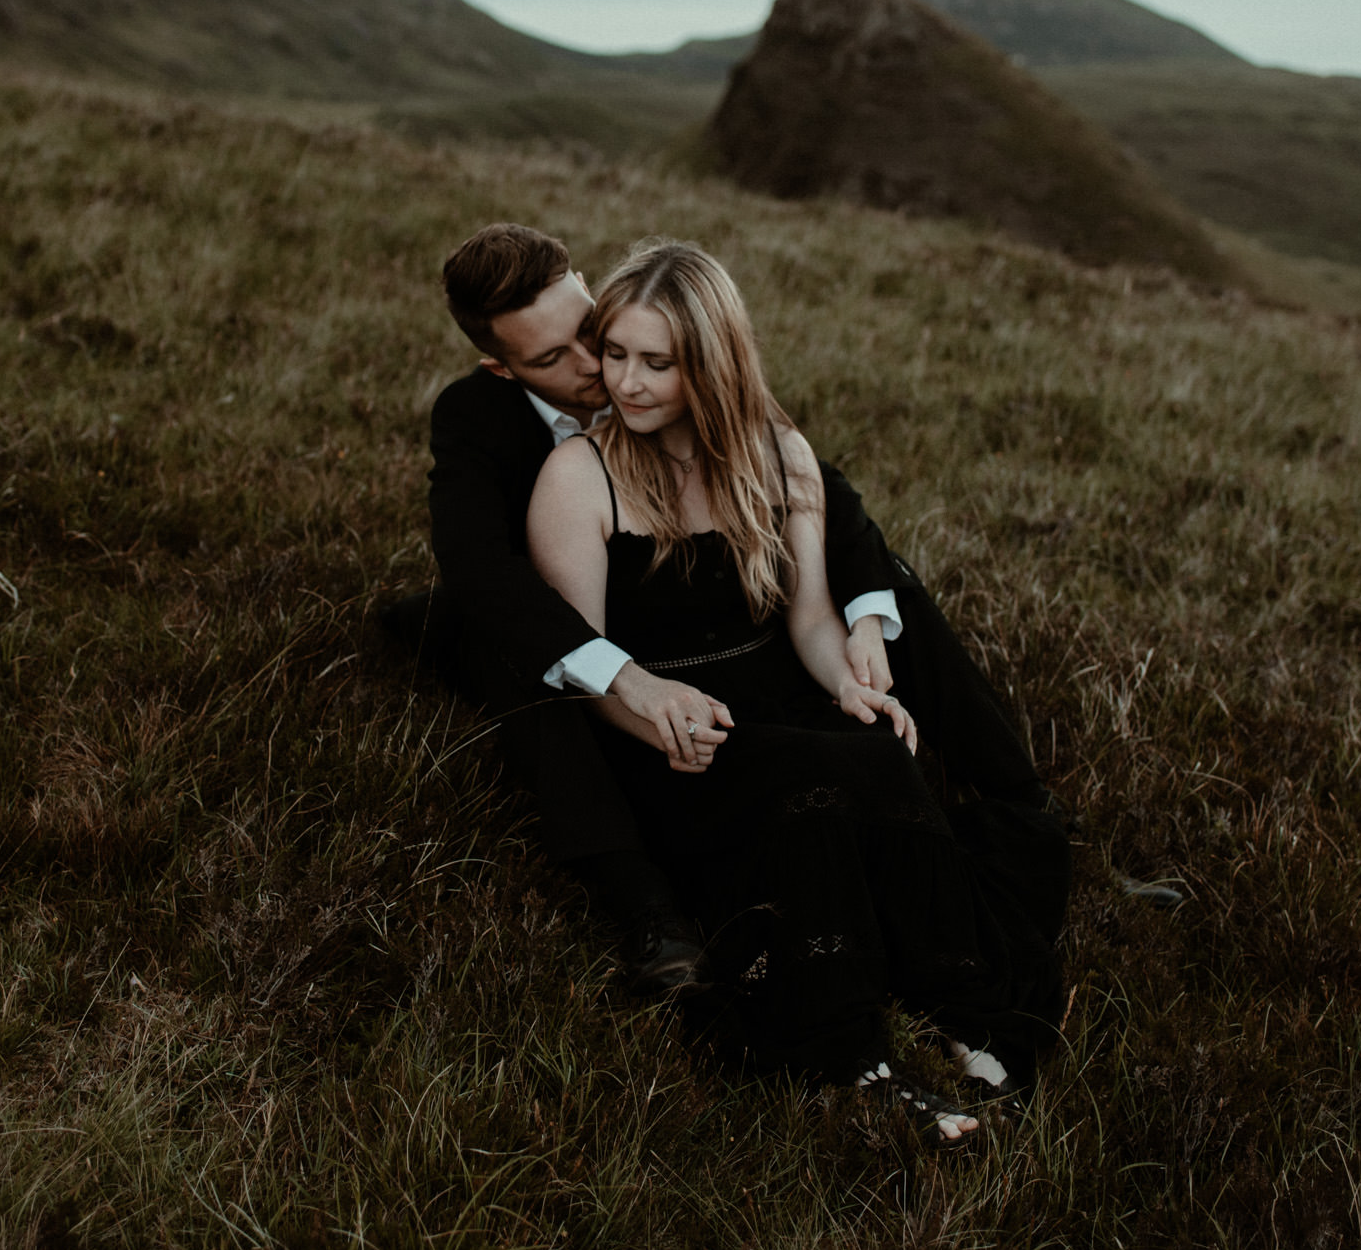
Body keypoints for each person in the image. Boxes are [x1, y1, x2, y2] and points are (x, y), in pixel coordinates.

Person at [406, 224, 1062, 1003]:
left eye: (594, 334)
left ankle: (1021, 804)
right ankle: (643, 908)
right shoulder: (478, 417)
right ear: (501, 365)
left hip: (704, 611)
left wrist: (865, 617)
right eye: (553, 360)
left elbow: (824, 497)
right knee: (527, 652)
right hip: (562, 624)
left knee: (892, 591)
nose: (600, 371)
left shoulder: (672, 358)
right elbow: (482, 576)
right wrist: (627, 679)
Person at [525, 239, 1068, 1144]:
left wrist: (849, 686)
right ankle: (849, 1059)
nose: (627, 382)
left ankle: (968, 1009)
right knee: (804, 794)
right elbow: (579, 663)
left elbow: (811, 618)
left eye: (658, 362)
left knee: (869, 749)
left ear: (715, 361)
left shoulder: (780, 456)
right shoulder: (578, 477)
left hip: (775, 694)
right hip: (667, 730)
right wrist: (652, 714)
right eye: (615, 354)